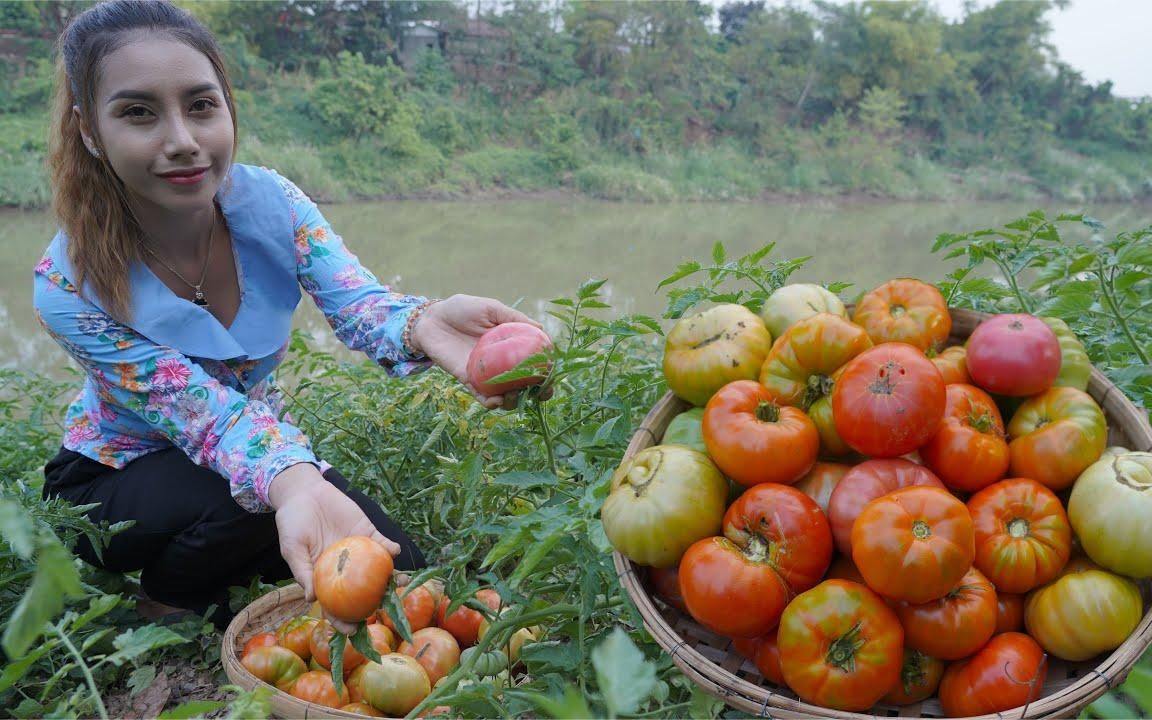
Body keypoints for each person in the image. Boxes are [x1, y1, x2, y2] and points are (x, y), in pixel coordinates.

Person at [34, 0, 541, 630]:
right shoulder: (68, 284)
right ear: (88, 129)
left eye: (201, 105)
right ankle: (167, 592)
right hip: (112, 482)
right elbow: (204, 418)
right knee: (255, 506)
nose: (184, 141)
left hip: (253, 453)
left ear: (227, 106)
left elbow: (359, 305)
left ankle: (237, 551)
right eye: (138, 113)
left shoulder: (276, 205)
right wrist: (295, 482)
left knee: (403, 571)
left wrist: (424, 324)